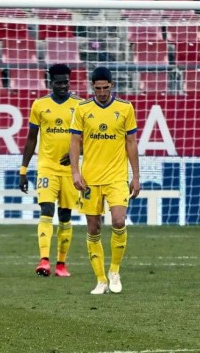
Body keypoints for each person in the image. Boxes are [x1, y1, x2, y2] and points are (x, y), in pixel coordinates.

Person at [69, 67, 140, 295]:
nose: (101, 92)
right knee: (93, 227)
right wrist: (75, 172)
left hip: (117, 177)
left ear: (112, 86)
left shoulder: (125, 108)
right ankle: (100, 280)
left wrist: (136, 176)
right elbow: (75, 142)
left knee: (119, 221)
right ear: (92, 87)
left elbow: (131, 143)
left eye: (105, 88)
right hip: (90, 178)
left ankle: (114, 271)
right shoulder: (82, 109)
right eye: (97, 88)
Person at [19, 64, 83, 277]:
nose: (63, 86)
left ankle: (61, 264)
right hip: (46, 168)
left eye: (66, 81)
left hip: (70, 171)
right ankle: (44, 260)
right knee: (46, 210)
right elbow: (31, 138)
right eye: (58, 82)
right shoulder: (40, 105)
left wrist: (77, 152)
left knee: (65, 215)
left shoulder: (80, 106)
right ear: (50, 83)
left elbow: (88, 138)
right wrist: (23, 170)